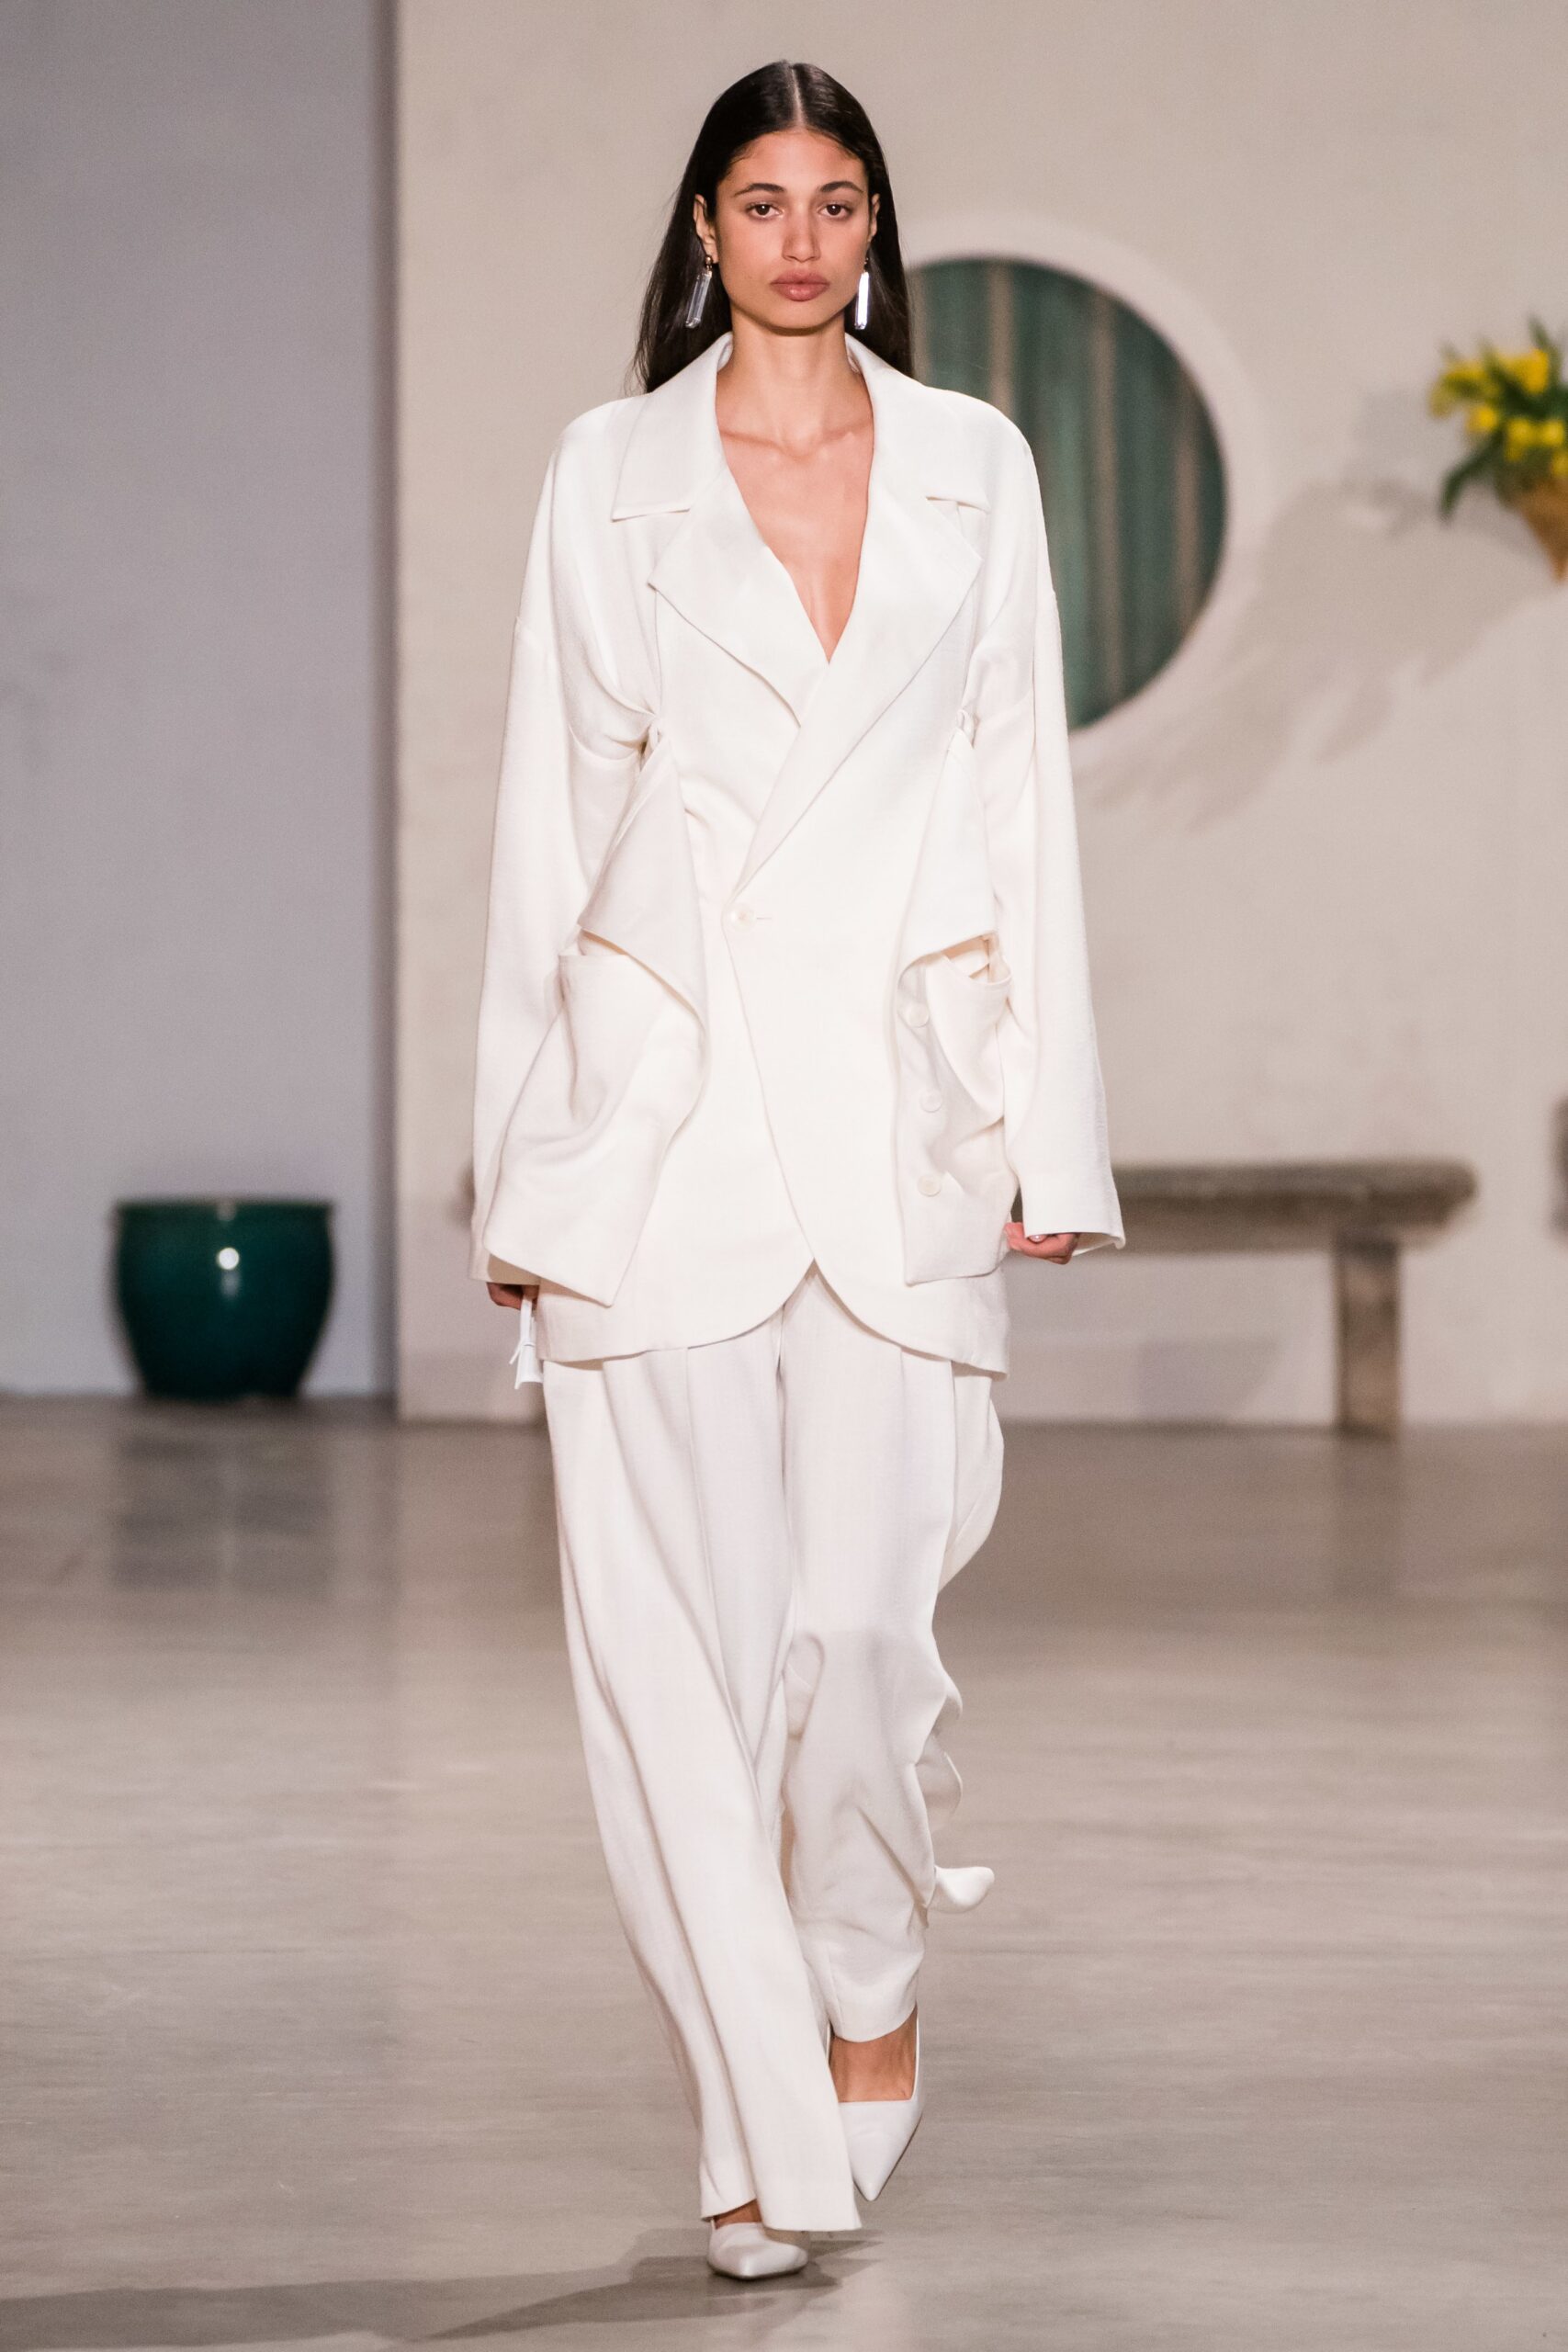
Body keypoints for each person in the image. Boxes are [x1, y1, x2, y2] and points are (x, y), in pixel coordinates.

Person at [468, 59, 1123, 2280]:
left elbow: (1017, 793)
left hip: (894, 1100)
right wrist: (524, 1164)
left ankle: (862, 1979)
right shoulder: (610, 472)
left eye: (835, 200)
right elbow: (550, 816)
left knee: (854, 1631)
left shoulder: (971, 464)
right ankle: (760, 2123)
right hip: (658, 1117)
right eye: (760, 201)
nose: (799, 239)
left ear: (872, 228)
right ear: (701, 227)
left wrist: (1047, 1124)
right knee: (678, 1664)